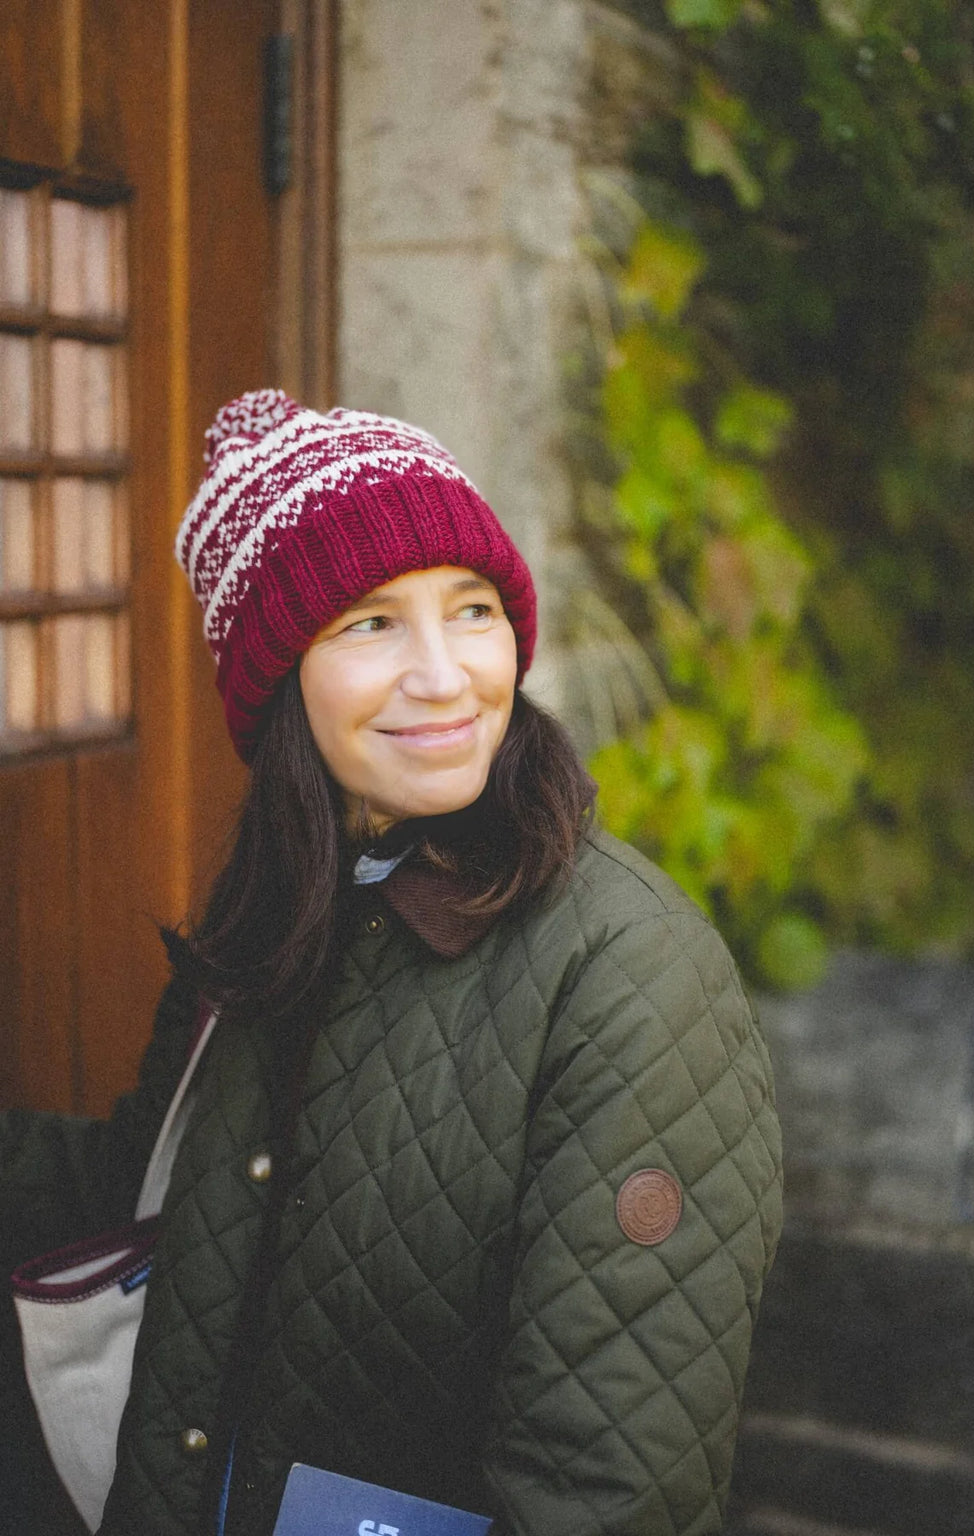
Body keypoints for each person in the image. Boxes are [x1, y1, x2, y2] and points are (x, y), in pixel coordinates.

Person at [1, 391, 782, 1536]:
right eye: (369, 623)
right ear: (275, 685)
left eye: (472, 610)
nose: (445, 675)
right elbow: (152, 1181)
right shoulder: (285, 901)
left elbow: (605, 1491)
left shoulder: (629, 975)